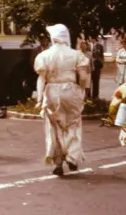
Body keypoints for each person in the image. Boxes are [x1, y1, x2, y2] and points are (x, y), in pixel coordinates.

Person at [34, 24, 89, 176]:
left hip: (52, 89)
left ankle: (58, 162)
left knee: (54, 126)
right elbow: (83, 77)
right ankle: (72, 156)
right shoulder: (76, 55)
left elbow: (41, 79)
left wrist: (39, 98)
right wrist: (82, 90)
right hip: (71, 89)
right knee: (73, 123)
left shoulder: (44, 55)